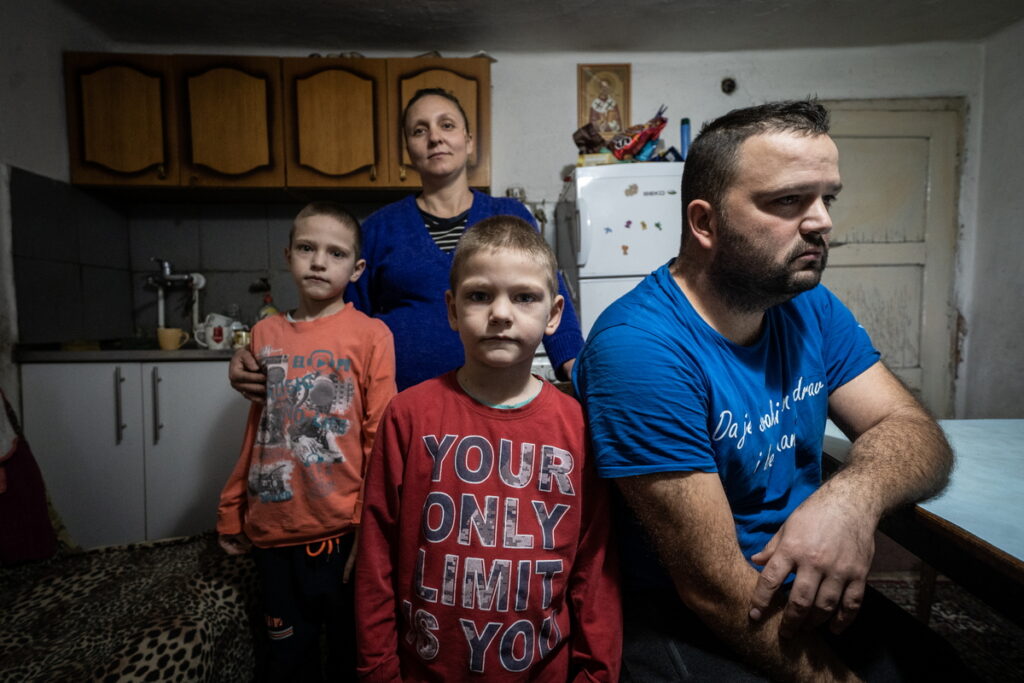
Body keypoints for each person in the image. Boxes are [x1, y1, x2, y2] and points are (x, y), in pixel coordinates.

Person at [573, 101, 972, 681]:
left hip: (801, 582)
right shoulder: (639, 348)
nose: (821, 222)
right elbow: (712, 589)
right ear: (705, 223)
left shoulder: (809, 307)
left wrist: (849, 500)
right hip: (685, 611)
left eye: (827, 198)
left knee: (946, 669)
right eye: (788, 201)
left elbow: (912, 430)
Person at [355, 216, 621, 682]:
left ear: (554, 314)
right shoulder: (407, 415)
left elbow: (595, 569)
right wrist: (379, 671)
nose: (500, 313)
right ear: (452, 309)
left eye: (524, 297)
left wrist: (596, 674)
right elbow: (376, 557)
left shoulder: (579, 426)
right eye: (479, 295)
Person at [229, 87, 583, 397]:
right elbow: (335, 319)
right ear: (407, 149)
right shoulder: (379, 229)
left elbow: (549, 297)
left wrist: (577, 368)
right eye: (419, 130)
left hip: (495, 398)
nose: (435, 138)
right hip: (400, 406)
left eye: (447, 125)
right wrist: (265, 351)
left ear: (469, 141)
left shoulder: (509, 216)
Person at [217, 201, 397, 681]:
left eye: (335, 253)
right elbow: (259, 428)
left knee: (347, 656)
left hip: (341, 532)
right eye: (306, 248)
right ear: (288, 255)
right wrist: (232, 504)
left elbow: (380, 436)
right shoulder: (263, 333)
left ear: (356, 269)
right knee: (286, 660)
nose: (319, 262)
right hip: (274, 530)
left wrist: (368, 525)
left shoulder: (372, 335)